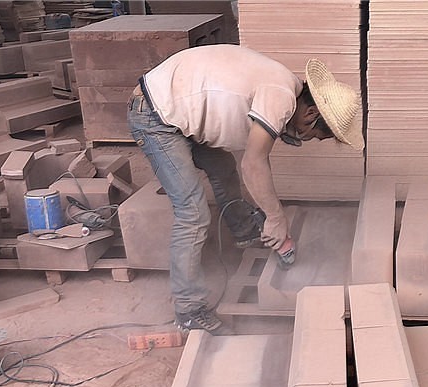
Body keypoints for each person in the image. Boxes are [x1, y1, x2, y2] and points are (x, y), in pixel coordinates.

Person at [127, 44, 364, 334]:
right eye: (313, 134)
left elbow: (254, 158)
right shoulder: (280, 96)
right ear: (311, 112)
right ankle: (189, 310)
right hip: (155, 116)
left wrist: (272, 212)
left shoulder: (286, 88)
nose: (307, 138)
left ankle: (244, 233)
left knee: (224, 169)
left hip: (174, 105)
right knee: (193, 213)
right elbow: (253, 163)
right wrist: (275, 218)